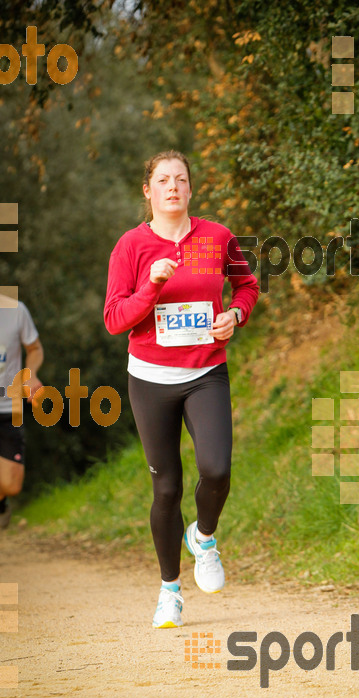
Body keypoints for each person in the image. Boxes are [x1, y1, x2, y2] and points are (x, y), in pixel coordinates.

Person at [104, 150, 259, 628]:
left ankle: (205, 538)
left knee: (216, 469)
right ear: (148, 191)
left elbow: (246, 285)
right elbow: (114, 320)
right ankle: (170, 591)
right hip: (150, 379)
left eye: (182, 179)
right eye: (163, 180)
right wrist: (150, 287)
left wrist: (235, 315)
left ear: (191, 189)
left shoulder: (217, 237)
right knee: (166, 488)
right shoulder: (130, 246)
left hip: (206, 370)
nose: (173, 186)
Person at [0, 294, 44, 528]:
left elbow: (34, 348)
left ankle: (2, 501)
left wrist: (31, 374)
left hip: (9, 407)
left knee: (12, 485)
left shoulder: (16, 310)